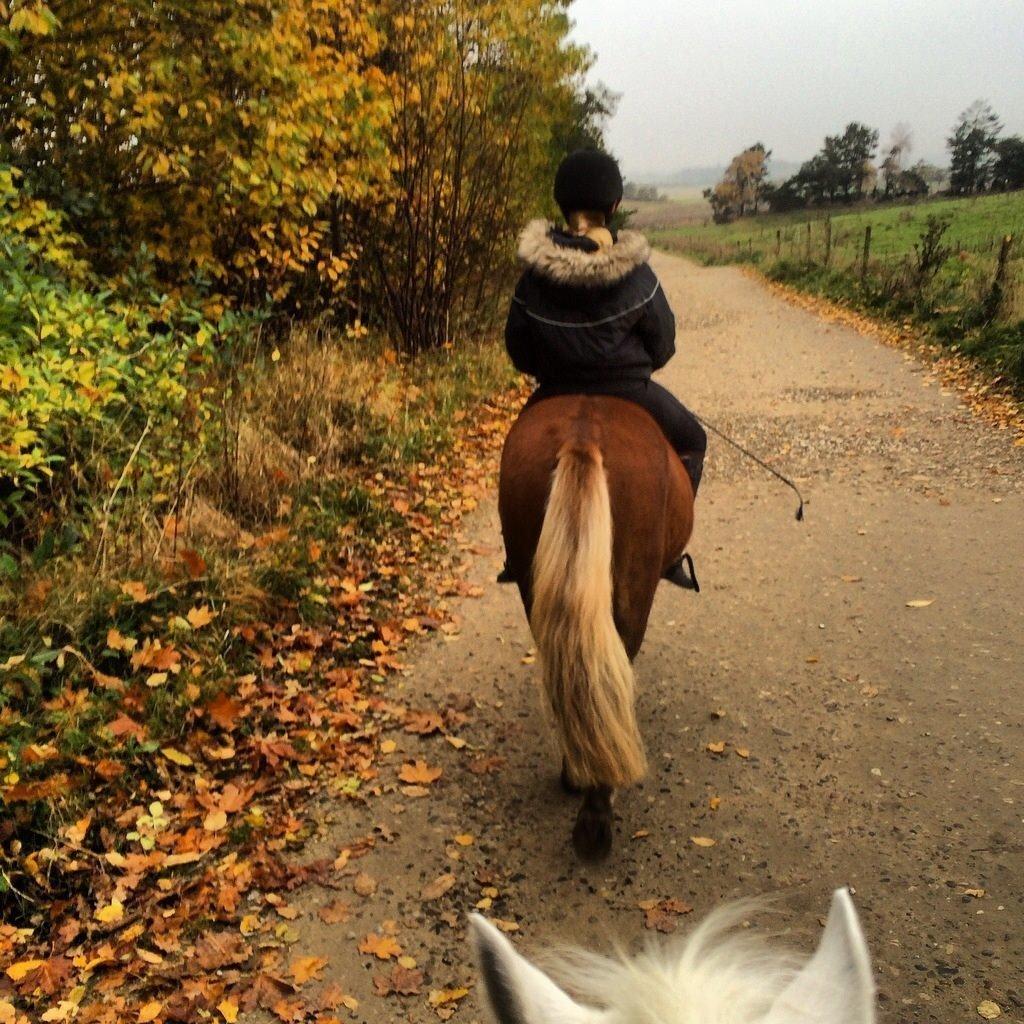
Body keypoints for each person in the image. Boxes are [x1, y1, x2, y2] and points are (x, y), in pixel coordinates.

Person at [500, 149, 706, 589]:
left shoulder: (534, 277)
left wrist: (556, 366)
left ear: (561, 204)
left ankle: (516, 553)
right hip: (630, 390)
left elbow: (518, 350)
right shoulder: (637, 275)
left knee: (516, 455)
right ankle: (667, 552)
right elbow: (664, 345)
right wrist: (630, 367)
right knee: (692, 439)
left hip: (552, 391)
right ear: (613, 207)